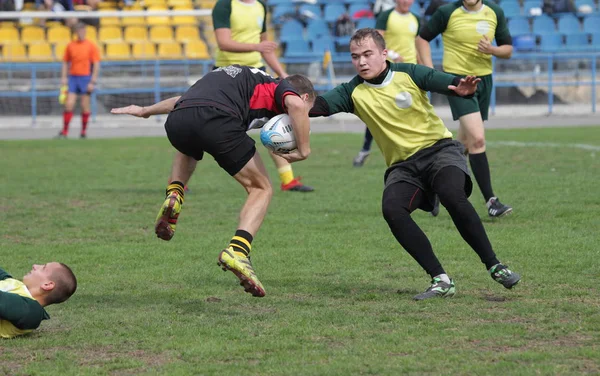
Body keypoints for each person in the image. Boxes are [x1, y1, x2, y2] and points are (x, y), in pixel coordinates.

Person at [309, 28, 521, 300]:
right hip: (403, 167)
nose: (361, 62)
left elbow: (442, 81)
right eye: (354, 57)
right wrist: (286, 99)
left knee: (452, 195)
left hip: (440, 151)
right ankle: (441, 280)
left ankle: (495, 265)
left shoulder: (408, 73)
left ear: (384, 54)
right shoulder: (352, 92)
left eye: (367, 54)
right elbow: (318, 106)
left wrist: (461, 86)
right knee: (392, 209)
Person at [111, 66, 316, 298]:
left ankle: (175, 192)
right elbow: (297, 106)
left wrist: (146, 110)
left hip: (179, 118)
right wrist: (304, 150)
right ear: (305, 96)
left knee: (191, 141)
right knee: (261, 188)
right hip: (219, 119)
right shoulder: (284, 88)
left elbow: (182, 100)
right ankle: (238, 250)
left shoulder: (246, 76)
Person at [416, 0, 514, 217]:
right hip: (460, 83)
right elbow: (422, 38)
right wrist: (431, 73)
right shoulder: (447, 12)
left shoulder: (494, 12)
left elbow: (508, 50)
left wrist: (492, 49)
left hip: (483, 82)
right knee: (478, 139)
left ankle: (434, 190)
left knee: (463, 145)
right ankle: (491, 201)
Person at [211, 0, 314, 192]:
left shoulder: (260, 5)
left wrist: (283, 76)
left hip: (256, 73)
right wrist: (256, 47)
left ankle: (288, 180)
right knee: (202, 121)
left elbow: (265, 47)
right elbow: (223, 43)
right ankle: (178, 184)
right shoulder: (225, 5)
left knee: (274, 123)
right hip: (227, 74)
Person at [353, 0, 421, 168]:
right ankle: (365, 149)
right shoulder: (386, 16)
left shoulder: (416, 19)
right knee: (379, 113)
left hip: (410, 74)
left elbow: (418, 45)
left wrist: (422, 69)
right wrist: (392, 53)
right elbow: (375, 42)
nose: (406, 2)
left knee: (412, 112)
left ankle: (413, 151)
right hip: (389, 72)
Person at [1, 262, 77, 339]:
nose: (34, 265)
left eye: (43, 268)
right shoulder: (17, 285)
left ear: (47, 285)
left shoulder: (32, 312)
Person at [57, 22, 100, 139]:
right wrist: (64, 77)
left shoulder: (90, 45)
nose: (81, 33)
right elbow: (65, 62)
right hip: (73, 78)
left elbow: (96, 64)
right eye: (79, 31)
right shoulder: (71, 45)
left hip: (85, 78)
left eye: (83, 31)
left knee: (84, 105)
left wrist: (93, 81)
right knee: (69, 104)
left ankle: (83, 132)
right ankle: (65, 132)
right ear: (76, 32)